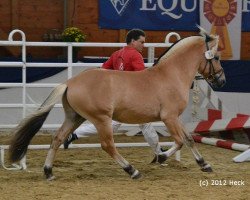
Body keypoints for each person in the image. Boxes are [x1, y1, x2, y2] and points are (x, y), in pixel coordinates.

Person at [64, 29, 165, 162]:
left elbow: (103, 70)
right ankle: (159, 154)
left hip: (117, 97)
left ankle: (159, 153)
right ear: (133, 41)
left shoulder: (117, 54)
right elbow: (142, 77)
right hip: (131, 98)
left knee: (125, 124)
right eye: (141, 42)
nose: (143, 45)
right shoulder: (135, 55)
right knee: (138, 123)